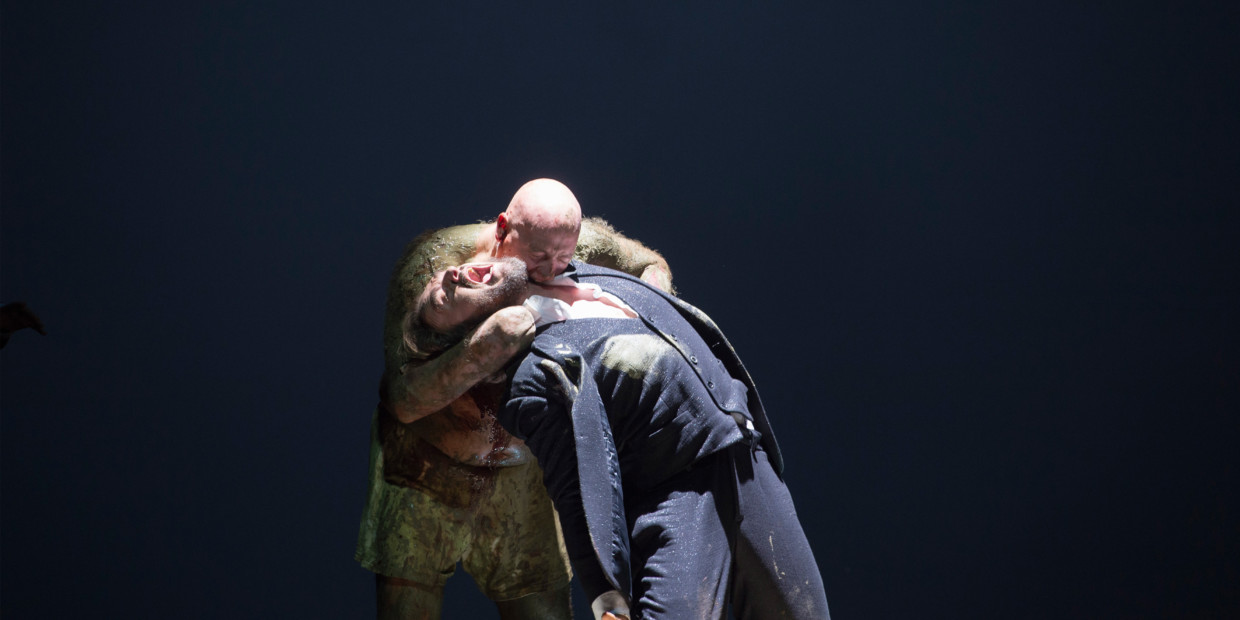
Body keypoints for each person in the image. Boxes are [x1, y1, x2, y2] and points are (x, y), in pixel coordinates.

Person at [405, 257, 831, 620]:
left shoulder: (576, 272)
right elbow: (574, 482)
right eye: (442, 298)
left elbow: (646, 264)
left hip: (745, 460)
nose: (452, 275)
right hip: (677, 495)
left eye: (448, 271)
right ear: (472, 336)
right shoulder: (532, 378)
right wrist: (608, 598)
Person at [356, 179, 674, 619]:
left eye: (563, 258)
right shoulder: (440, 265)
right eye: (538, 257)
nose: (550, 269)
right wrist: (480, 352)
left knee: (543, 607)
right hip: (423, 472)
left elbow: (649, 266)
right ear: (503, 229)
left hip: (521, 476)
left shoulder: (565, 242)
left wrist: (648, 317)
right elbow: (405, 400)